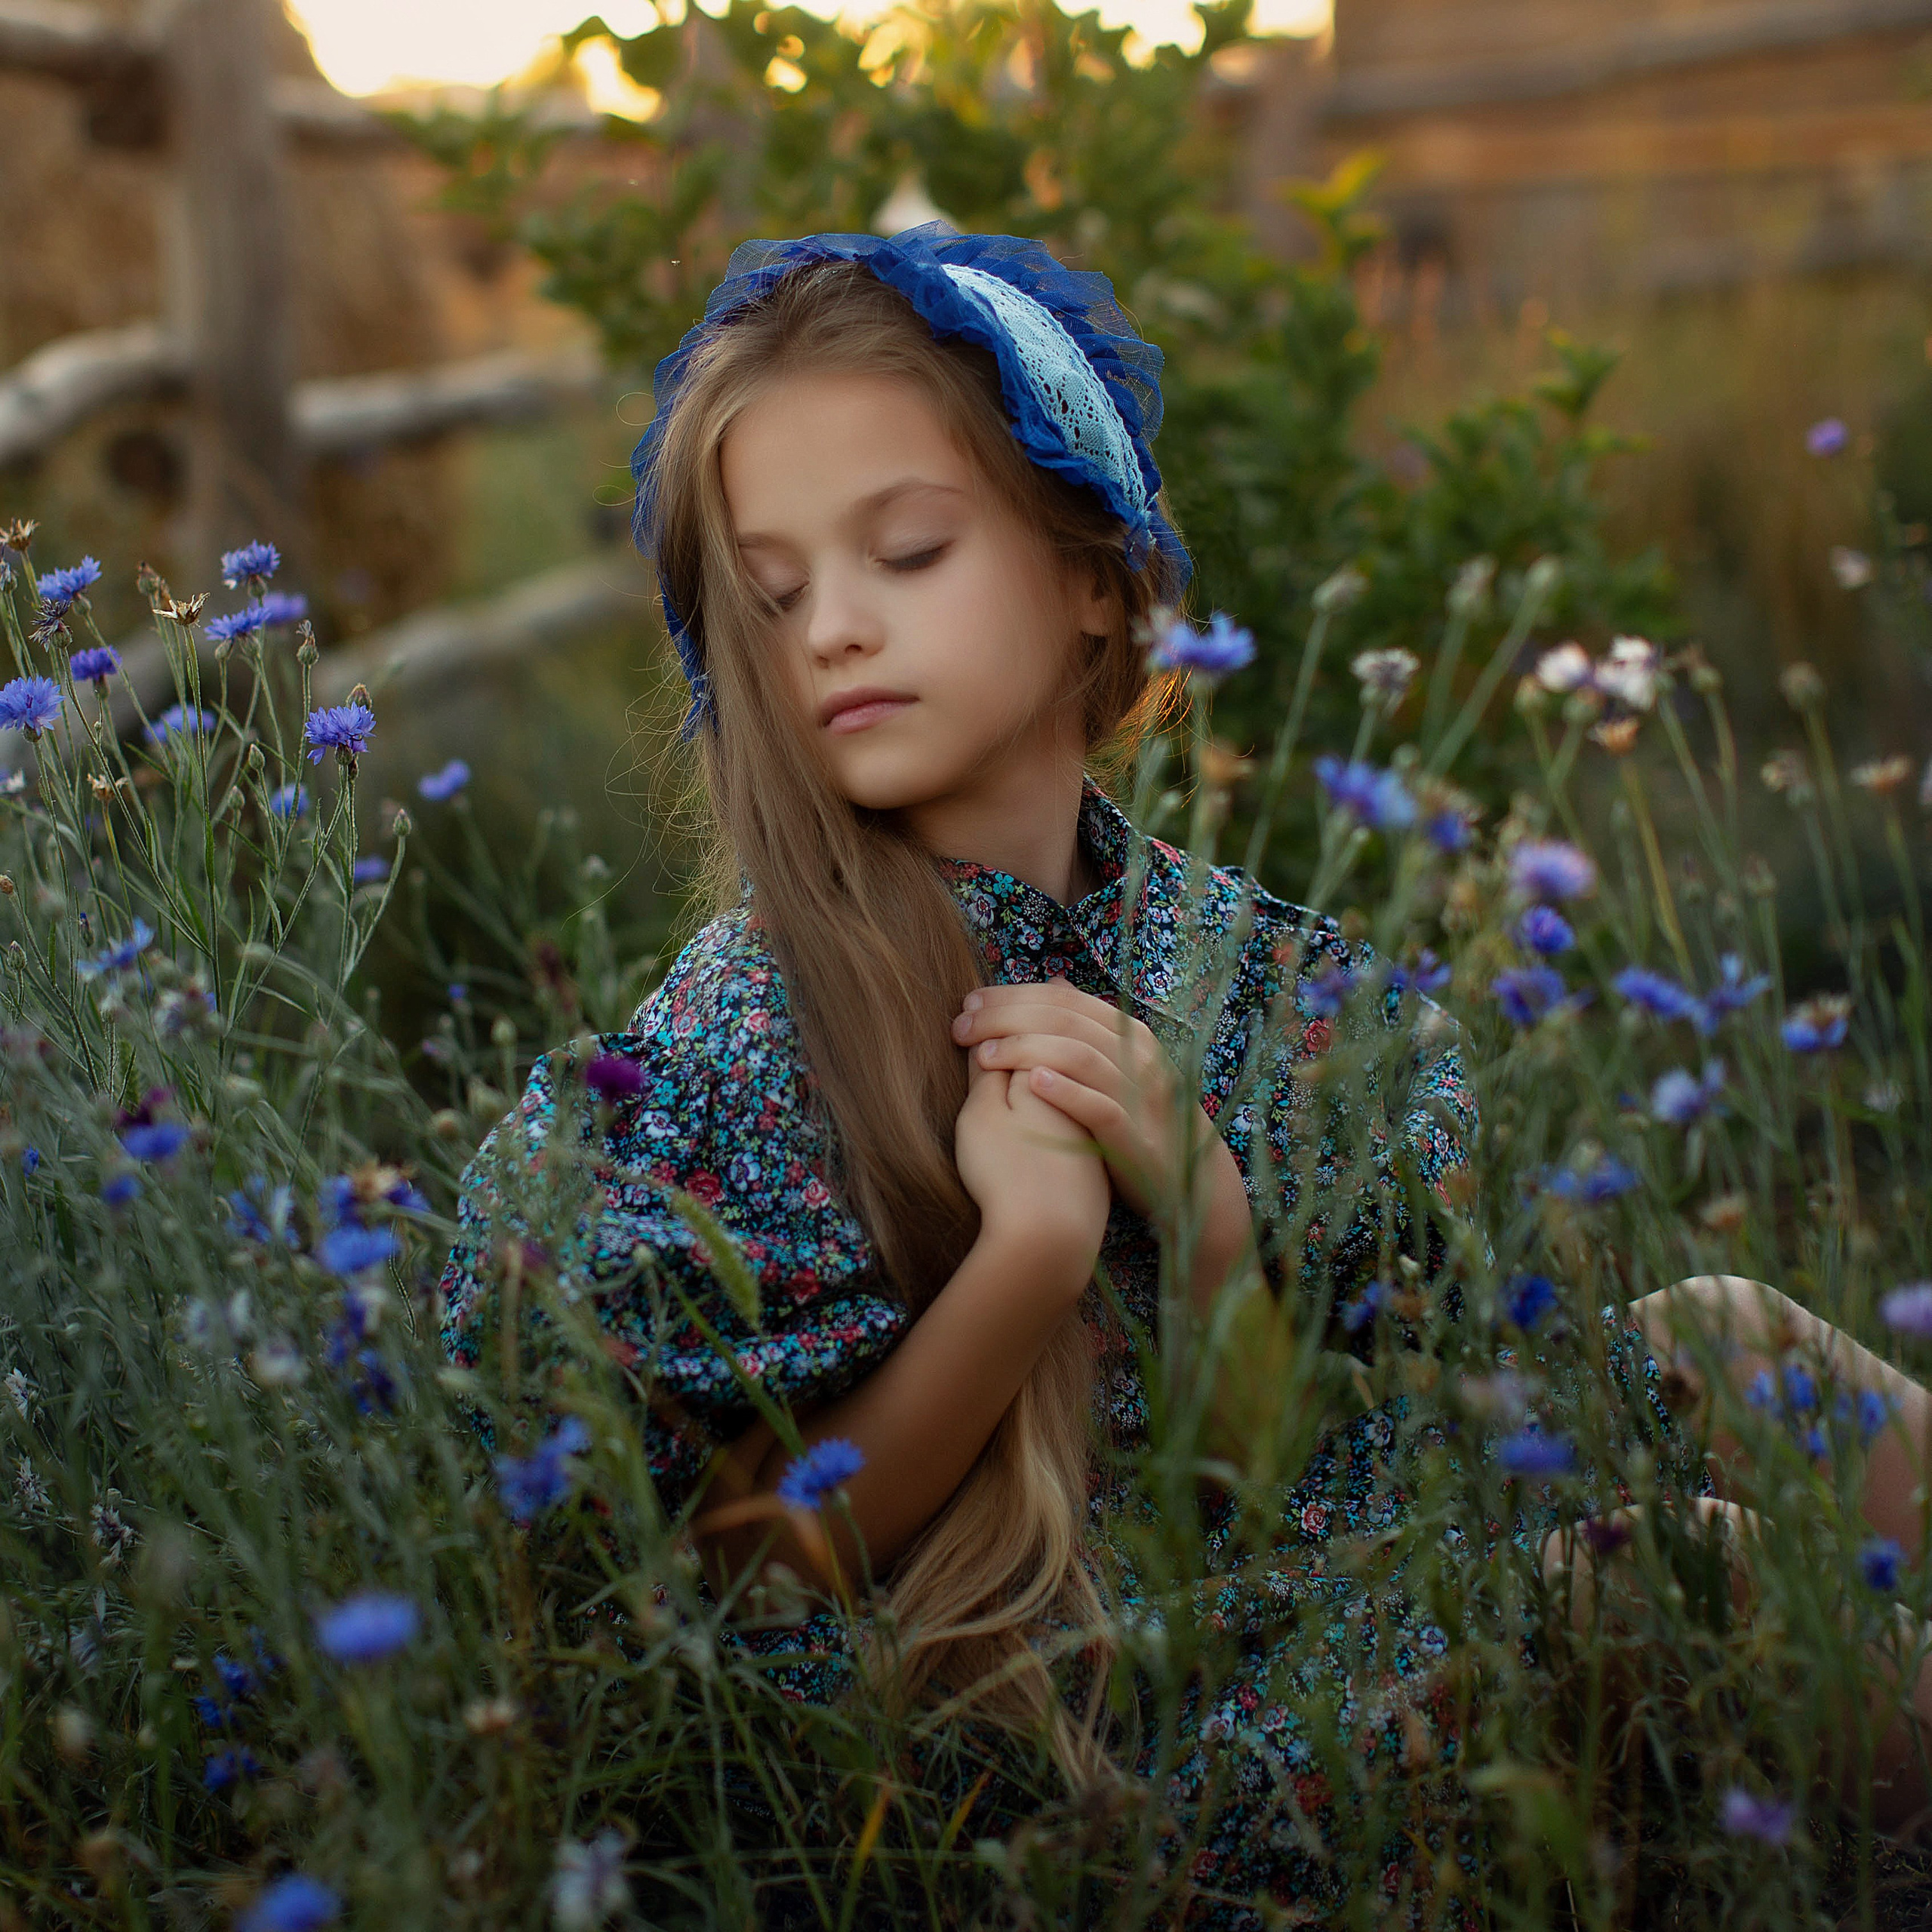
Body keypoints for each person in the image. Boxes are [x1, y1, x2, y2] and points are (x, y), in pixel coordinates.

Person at [436, 224, 1930, 1919]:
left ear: (1092, 573)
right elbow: (738, 1569)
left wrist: (1203, 1206)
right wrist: (1025, 1263)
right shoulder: (740, 1036)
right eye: (772, 596)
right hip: (1045, 1766)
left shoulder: (1237, 968)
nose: (833, 630)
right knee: (1673, 1575)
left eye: (907, 550)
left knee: (1731, 1334)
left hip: (1262, 1595)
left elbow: (1273, 1477)